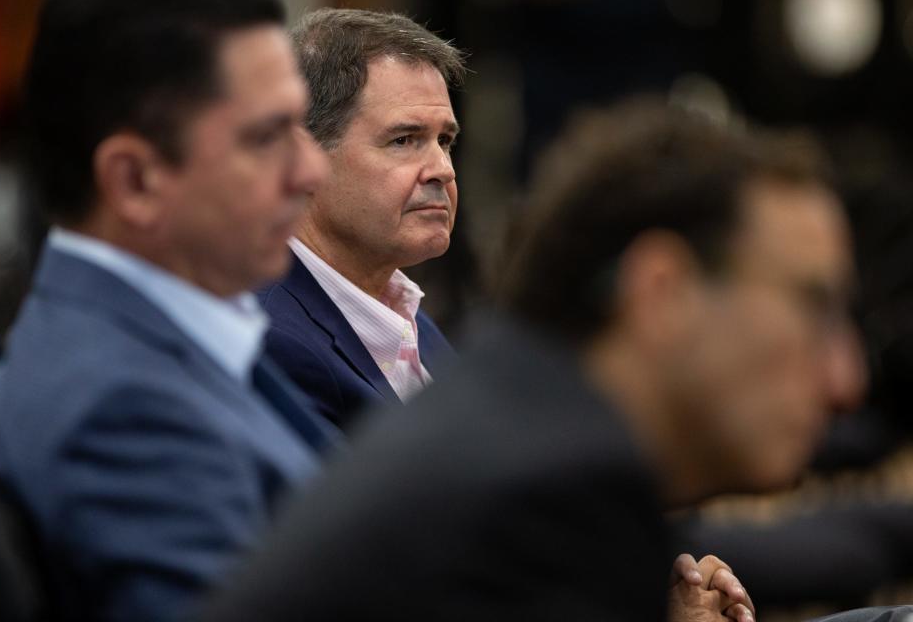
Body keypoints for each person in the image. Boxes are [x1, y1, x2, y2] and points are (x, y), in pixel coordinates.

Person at [200, 101, 865, 621]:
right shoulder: (550, 471)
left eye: (448, 141)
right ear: (662, 291)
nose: (845, 379)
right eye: (812, 308)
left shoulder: (509, 394)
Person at [0, 0, 330, 620]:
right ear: (135, 181)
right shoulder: (121, 409)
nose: (311, 172)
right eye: (266, 137)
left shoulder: (158, 336)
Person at [257, 8, 464, 429]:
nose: (443, 168)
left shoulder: (409, 315)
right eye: (404, 140)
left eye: (444, 140)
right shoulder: (272, 342)